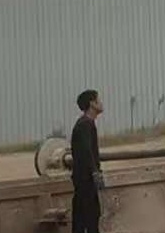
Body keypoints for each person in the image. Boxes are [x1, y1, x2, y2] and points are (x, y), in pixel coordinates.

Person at [71, 89, 104, 233]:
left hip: (83, 179)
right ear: (92, 103)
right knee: (90, 217)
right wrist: (95, 172)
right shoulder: (85, 124)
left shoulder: (85, 123)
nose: (101, 103)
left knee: (81, 219)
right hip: (86, 180)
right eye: (99, 100)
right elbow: (86, 151)